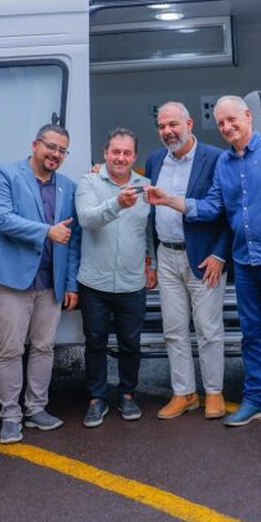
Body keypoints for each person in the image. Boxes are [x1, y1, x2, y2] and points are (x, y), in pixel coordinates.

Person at [148, 95, 261, 436]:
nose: (226, 127)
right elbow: (212, 208)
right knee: (251, 335)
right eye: (221, 123)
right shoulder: (224, 162)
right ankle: (255, 400)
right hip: (245, 260)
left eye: (231, 119)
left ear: (248, 116)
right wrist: (170, 200)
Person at [0, 124, 81, 445]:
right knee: (10, 350)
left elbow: (73, 240)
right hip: (12, 280)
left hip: (51, 281)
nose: (56, 155)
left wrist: (71, 283)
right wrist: (46, 231)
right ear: (35, 144)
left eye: (63, 150)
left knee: (44, 347)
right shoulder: (5, 174)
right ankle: (10, 416)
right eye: (51, 147)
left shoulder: (68, 186)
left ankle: (36, 408)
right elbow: (3, 218)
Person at [144, 103, 231, 421]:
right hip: (166, 255)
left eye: (173, 125)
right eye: (162, 126)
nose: (167, 131)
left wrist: (221, 254)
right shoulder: (155, 160)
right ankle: (184, 393)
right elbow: (148, 212)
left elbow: (227, 210)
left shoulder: (215, 157)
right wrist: (150, 258)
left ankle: (214, 392)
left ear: (189, 123)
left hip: (205, 256)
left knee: (208, 329)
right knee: (174, 329)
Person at [76, 128, 154, 427]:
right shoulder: (89, 181)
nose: (121, 157)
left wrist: (154, 262)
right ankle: (96, 398)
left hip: (132, 281)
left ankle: (127, 394)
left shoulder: (145, 186)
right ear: (105, 153)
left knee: (130, 343)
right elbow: (86, 219)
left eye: (127, 153)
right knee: (95, 342)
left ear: (135, 157)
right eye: (115, 152)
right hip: (94, 282)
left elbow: (147, 229)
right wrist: (116, 204)